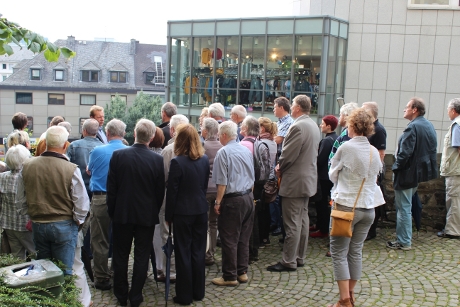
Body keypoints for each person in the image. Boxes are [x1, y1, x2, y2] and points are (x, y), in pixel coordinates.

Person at [328, 108, 385, 307]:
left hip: (346, 207)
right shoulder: (373, 151)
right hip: (368, 208)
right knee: (355, 252)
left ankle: (344, 300)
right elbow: (376, 176)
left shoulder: (346, 148)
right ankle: (350, 295)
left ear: (352, 125)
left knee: (338, 252)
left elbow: (332, 174)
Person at [107, 119, 165, 307]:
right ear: (152, 137)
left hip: (122, 214)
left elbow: (112, 189)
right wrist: (153, 211)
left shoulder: (118, 156)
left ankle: (121, 293)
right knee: (141, 255)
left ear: (134, 133)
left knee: (121, 255)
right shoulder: (157, 160)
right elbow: (159, 192)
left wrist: (113, 212)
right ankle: (136, 295)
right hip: (145, 215)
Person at [22, 126, 90, 275]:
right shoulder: (71, 168)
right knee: (64, 272)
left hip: (38, 223)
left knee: (44, 272)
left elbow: (21, 197)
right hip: (63, 224)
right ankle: (65, 298)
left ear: (46, 143)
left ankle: (49, 298)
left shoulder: (27, 166)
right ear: (65, 145)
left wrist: (29, 216)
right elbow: (82, 202)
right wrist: (78, 220)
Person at [267, 95, 320, 272]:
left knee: (292, 222)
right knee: (302, 220)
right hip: (307, 180)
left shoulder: (297, 126)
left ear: (297, 108)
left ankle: (289, 260)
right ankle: (299, 256)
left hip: (295, 181)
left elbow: (288, 154)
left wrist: (279, 167)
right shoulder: (312, 124)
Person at [165, 124, 210, 305]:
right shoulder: (204, 159)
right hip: (200, 210)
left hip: (183, 212)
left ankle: (184, 295)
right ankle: (198, 291)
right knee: (198, 252)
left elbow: (172, 193)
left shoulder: (177, 162)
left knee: (183, 252)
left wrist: (168, 216)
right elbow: (204, 186)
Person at [388, 97, 437, 251]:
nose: (404, 109)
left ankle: (403, 241)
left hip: (407, 174)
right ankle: (404, 239)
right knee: (406, 206)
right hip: (417, 174)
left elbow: (405, 153)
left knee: (403, 208)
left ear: (415, 109)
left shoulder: (413, 127)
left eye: (407, 106)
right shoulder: (428, 125)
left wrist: (396, 167)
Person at [211, 121, 255, 286]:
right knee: (243, 237)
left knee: (229, 238)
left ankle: (229, 276)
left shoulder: (223, 152)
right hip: (248, 197)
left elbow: (222, 182)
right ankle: (241, 271)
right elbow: (252, 177)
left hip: (233, 199)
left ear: (223, 135)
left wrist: (217, 202)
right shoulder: (245, 150)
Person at [87, 119, 127, 290]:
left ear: (108, 134)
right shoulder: (129, 152)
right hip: (122, 199)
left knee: (99, 239)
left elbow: (89, 170)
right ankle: (118, 272)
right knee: (120, 238)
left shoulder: (97, 151)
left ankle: (102, 277)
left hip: (100, 198)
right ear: (124, 134)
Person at [157, 114, 190, 282]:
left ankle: (169, 271)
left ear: (172, 130)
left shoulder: (168, 151)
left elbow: (161, 178)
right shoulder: (196, 149)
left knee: (167, 235)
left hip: (169, 199)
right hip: (188, 200)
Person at [67, 118, 103, 259]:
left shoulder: (74, 146)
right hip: (96, 192)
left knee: (78, 223)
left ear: (84, 131)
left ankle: (78, 249)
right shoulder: (102, 147)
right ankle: (89, 252)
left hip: (77, 192)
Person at [0, 145, 34, 259]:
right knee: (36, 254)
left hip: (8, 223)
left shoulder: (2, 177)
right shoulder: (27, 177)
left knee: (17, 257)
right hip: (26, 225)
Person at [362, 101, 387, 241]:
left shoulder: (379, 129)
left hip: (373, 173)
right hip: (367, 170)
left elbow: (381, 154)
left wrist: (375, 174)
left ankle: (371, 231)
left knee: (373, 201)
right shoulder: (370, 128)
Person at [310, 115, 338, 239]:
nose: (321, 125)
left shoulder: (327, 140)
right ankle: (320, 225)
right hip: (329, 176)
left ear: (328, 126)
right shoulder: (336, 138)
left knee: (321, 203)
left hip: (323, 176)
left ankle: (323, 228)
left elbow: (320, 160)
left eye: (322, 123)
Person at [271, 97, 294, 237]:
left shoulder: (288, 122)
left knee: (278, 196)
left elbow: (278, 139)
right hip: (277, 161)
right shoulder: (280, 122)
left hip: (282, 162)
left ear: (281, 107)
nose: (273, 109)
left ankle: (279, 225)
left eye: (275, 107)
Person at [201, 118, 223, 266]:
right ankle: (211, 254)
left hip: (205, 189)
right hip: (219, 189)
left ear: (206, 131)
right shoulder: (223, 146)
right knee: (214, 223)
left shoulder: (202, 146)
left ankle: (203, 252)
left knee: (204, 223)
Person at [438, 98, 460, 238]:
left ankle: (453, 231)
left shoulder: (457, 125)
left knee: (454, 200)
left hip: (455, 170)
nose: (447, 112)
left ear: (453, 110)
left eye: (448, 109)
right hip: (456, 169)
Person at [257, 117, 278, 246]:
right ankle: (265, 237)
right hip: (271, 178)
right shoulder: (273, 142)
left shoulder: (261, 143)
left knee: (261, 210)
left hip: (263, 179)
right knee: (266, 209)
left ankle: (261, 237)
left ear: (262, 128)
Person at [328, 102, 359, 168]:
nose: (339, 117)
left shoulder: (348, 135)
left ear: (346, 116)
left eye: (340, 115)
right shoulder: (348, 132)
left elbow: (344, 159)